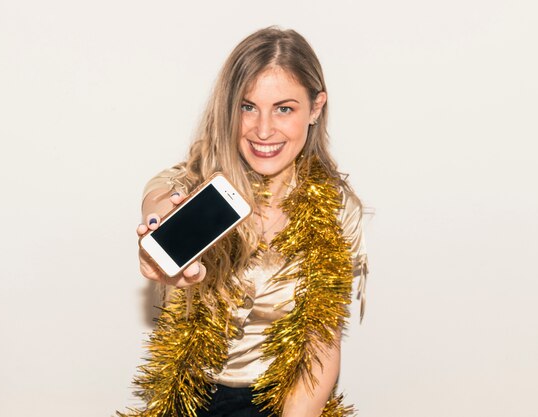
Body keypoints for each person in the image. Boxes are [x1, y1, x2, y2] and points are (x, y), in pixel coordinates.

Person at [119, 26, 368, 417]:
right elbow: (163, 192)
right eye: (247, 107)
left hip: (284, 401)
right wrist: (160, 221)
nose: (263, 130)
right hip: (187, 397)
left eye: (284, 108)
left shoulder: (337, 211)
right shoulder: (200, 184)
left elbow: (321, 343)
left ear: (315, 108)